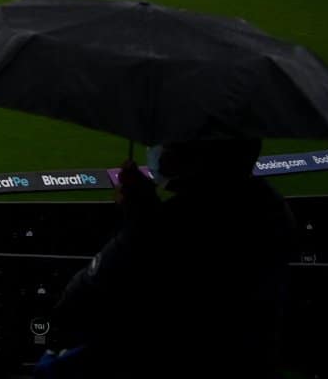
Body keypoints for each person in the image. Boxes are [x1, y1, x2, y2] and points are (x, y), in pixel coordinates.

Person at [44, 140, 294, 377]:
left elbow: (75, 305)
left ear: (195, 156)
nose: (161, 150)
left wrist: (141, 218)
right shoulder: (269, 207)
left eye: (172, 144)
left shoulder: (174, 225)